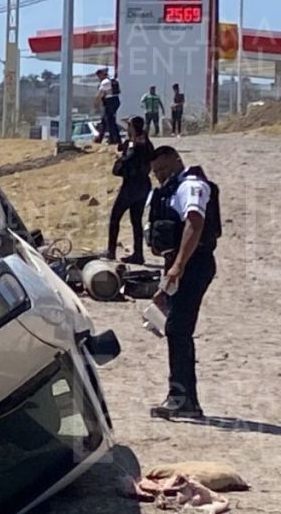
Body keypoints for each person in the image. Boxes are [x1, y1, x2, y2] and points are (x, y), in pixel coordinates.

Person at [146, 146, 221, 420]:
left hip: (194, 263)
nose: (161, 176)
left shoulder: (191, 186)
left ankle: (182, 399)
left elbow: (194, 223)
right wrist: (165, 285)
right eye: (156, 172)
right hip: (181, 265)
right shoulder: (169, 190)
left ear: (177, 161)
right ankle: (185, 399)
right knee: (175, 328)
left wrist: (178, 266)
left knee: (178, 329)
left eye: (164, 169)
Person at [107, 116, 154, 264]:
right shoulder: (146, 142)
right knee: (136, 220)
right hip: (144, 185)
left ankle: (111, 251)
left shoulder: (135, 144)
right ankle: (138, 254)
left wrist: (119, 161)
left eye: (129, 126)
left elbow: (128, 160)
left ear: (133, 127)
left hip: (132, 185)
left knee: (115, 217)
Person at [95, 68, 122, 144]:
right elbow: (119, 91)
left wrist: (96, 104)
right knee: (105, 120)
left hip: (109, 102)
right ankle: (100, 138)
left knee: (110, 122)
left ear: (101, 75)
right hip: (115, 101)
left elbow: (100, 94)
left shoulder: (104, 82)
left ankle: (114, 139)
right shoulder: (113, 81)